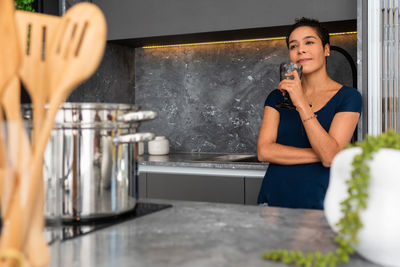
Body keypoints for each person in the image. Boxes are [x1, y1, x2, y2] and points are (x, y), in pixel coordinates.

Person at [257, 17, 362, 209]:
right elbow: (264, 151)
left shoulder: (348, 97)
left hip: (319, 201)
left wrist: (301, 102)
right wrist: (326, 154)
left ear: (327, 49)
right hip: (273, 199)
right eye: (293, 46)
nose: (300, 50)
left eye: (309, 42)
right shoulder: (277, 97)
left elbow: (329, 157)